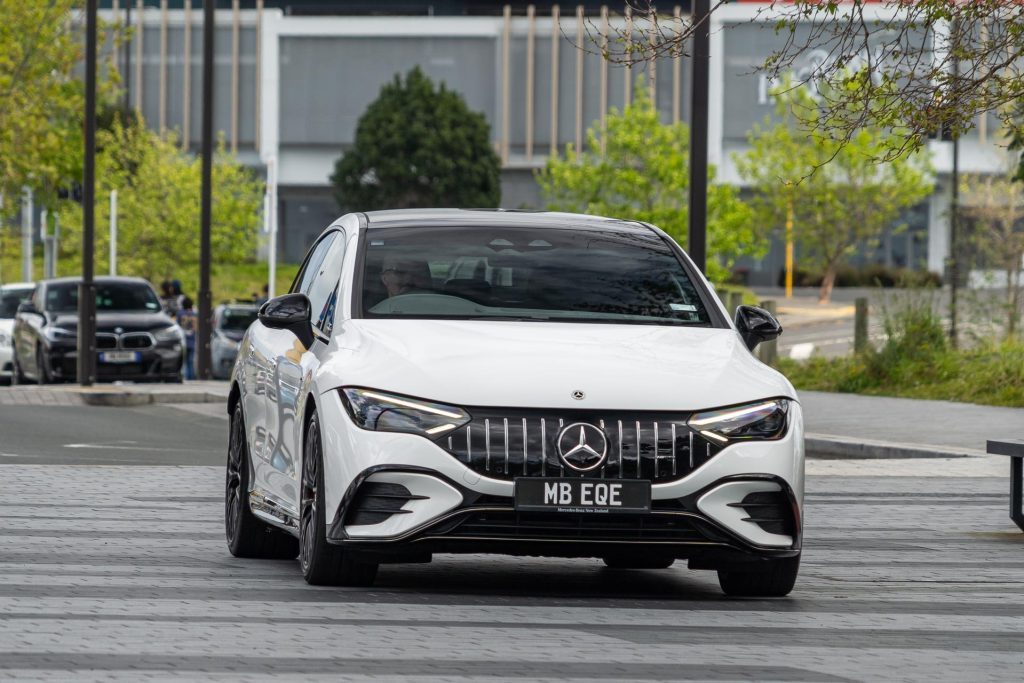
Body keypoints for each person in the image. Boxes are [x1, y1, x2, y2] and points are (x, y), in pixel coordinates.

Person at [177, 297, 197, 380]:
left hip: (183, 340)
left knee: (183, 362)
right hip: (192, 340)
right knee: (190, 361)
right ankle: (191, 377)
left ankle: (184, 377)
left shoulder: (180, 313)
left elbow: (177, 326)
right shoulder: (194, 314)